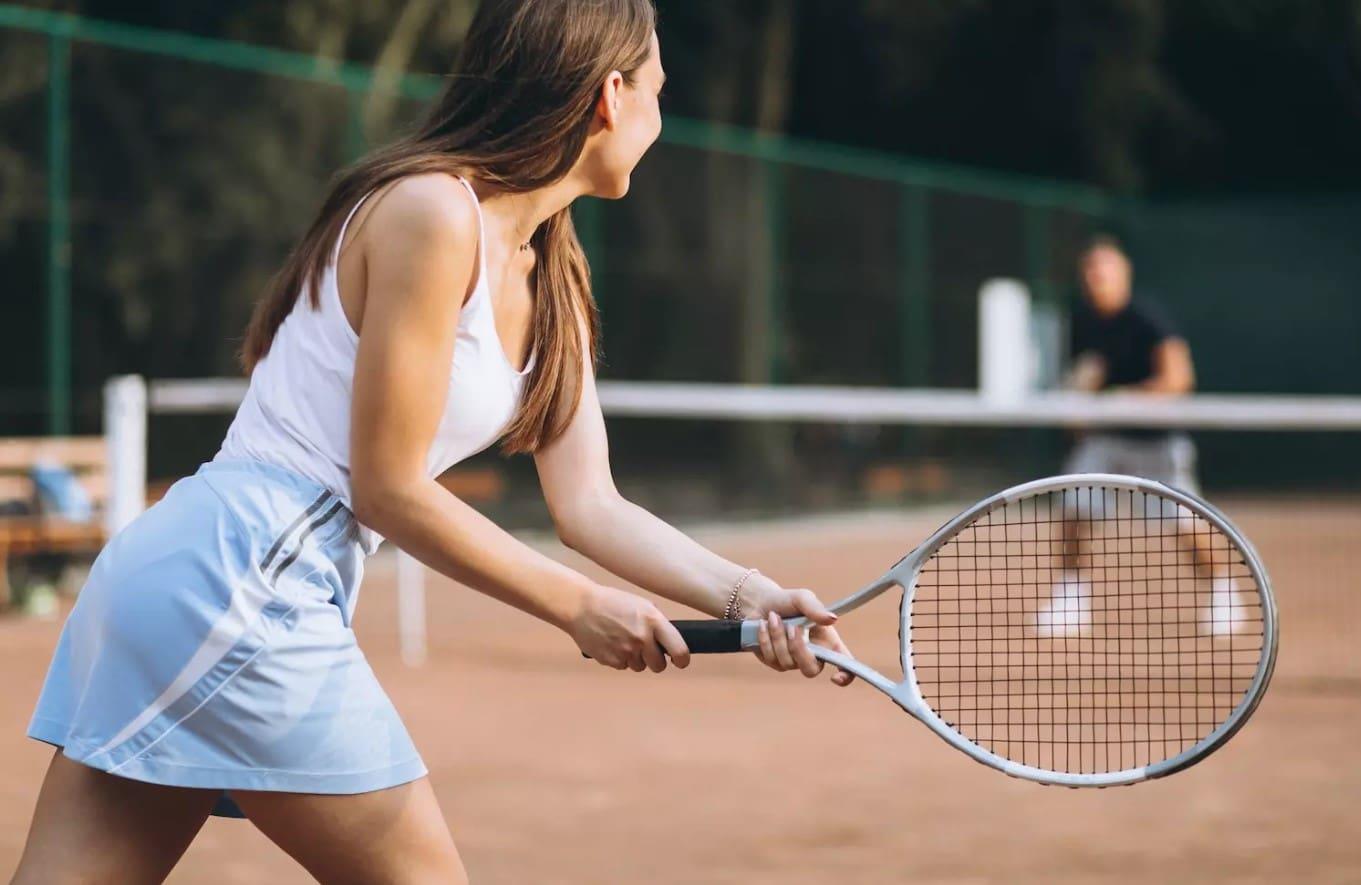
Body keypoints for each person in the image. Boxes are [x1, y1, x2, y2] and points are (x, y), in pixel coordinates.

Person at [13, 3, 853, 881]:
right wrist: (577, 606)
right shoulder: (432, 212)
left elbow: (592, 505)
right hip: (242, 581)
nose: (661, 118)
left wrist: (751, 599)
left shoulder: (551, 276)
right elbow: (389, 488)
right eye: (658, 91)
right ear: (610, 96)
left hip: (201, 582)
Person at [1036, 235, 1242, 639]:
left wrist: (1126, 398)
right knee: (1074, 512)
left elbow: (1180, 378)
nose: (1097, 276)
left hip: (1156, 442)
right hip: (1105, 440)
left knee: (1185, 523)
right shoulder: (1081, 320)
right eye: (1090, 270)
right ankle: (1070, 598)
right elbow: (1086, 377)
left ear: (1123, 273)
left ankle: (1223, 593)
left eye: (1104, 268)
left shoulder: (1148, 318)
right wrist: (1081, 407)